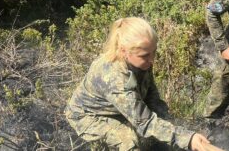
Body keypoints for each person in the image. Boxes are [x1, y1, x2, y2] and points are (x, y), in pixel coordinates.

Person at [65, 17, 210, 150]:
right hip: (87, 116)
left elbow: (152, 99)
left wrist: (172, 126)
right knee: (129, 141)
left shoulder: (142, 62)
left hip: (119, 109)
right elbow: (144, 122)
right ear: (123, 51)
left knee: (163, 135)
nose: (152, 59)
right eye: (145, 55)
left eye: (154, 52)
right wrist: (187, 138)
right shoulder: (113, 76)